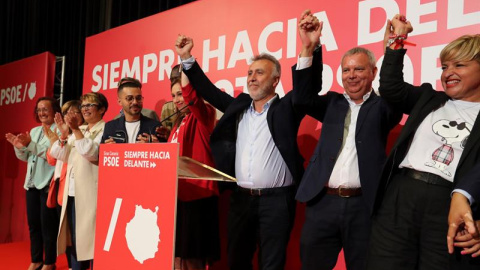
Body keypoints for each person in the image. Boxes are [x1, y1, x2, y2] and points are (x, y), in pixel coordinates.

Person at [174, 28, 309, 269]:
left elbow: (304, 90)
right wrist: (186, 58)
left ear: (276, 80)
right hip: (241, 201)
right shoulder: (240, 106)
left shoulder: (287, 107)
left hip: (277, 202)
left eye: (259, 72)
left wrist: (308, 49)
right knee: (237, 262)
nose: (252, 78)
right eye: (249, 73)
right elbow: (208, 90)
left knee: (272, 264)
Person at [367, 15, 480, 269]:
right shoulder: (429, 98)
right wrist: (397, 41)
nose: (449, 72)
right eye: (444, 67)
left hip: (449, 205)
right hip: (401, 196)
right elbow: (391, 87)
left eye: (459, 65)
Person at [292, 11, 402, 270]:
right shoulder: (331, 103)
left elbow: (392, 87)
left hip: (363, 207)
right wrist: (309, 47)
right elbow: (301, 98)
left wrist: (391, 46)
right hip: (322, 204)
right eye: (346, 70)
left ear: (373, 72)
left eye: (359, 69)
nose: (351, 75)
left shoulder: (384, 107)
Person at [163, 71, 220, 270]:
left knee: (193, 258)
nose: (178, 100)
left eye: (181, 94)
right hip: (177, 197)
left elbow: (194, 101)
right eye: (174, 95)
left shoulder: (204, 114)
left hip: (198, 196)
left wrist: (185, 62)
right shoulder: (178, 122)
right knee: (177, 256)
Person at [50, 92, 108, 270]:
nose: (85, 109)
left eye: (90, 105)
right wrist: (63, 135)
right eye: (83, 106)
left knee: (92, 242)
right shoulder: (81, 130)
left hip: (93, 195)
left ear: (102, 109)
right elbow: (59, 155)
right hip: (73, 192)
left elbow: (92, 154)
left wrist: (74, 131)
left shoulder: (106, 129)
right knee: (75, 241)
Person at [5, 97, 61, 270]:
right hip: (31, 185)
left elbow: (53, 155)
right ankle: (36, 259)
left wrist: (31, 145)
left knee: (48, 227)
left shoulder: (59, 131)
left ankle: (49, 262)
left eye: (46, 109)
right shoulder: (34, 131)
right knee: (34, 225)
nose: (42, 113)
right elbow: (26, 157)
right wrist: (18, 146)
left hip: (48, 184)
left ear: (54, 111)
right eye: (39, 110)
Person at [45, 100, 84, 270]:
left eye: (74, 112)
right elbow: (52, 159)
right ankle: (70, 265)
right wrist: (59, 137)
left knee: (77, 234)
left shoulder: (82, 134)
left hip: (77, 189)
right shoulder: (63, 134)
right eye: (67, 113)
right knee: (66, 234)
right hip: (61, 189)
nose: (70, 116)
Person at [102, 77, 161, 144]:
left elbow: (165, 152)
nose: (135, 102)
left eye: (138, 98)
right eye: (129, 98)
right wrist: (107, 150)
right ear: (119, 101)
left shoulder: (154, 126)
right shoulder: (110, 127)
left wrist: (154, 147)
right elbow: (100, 153)